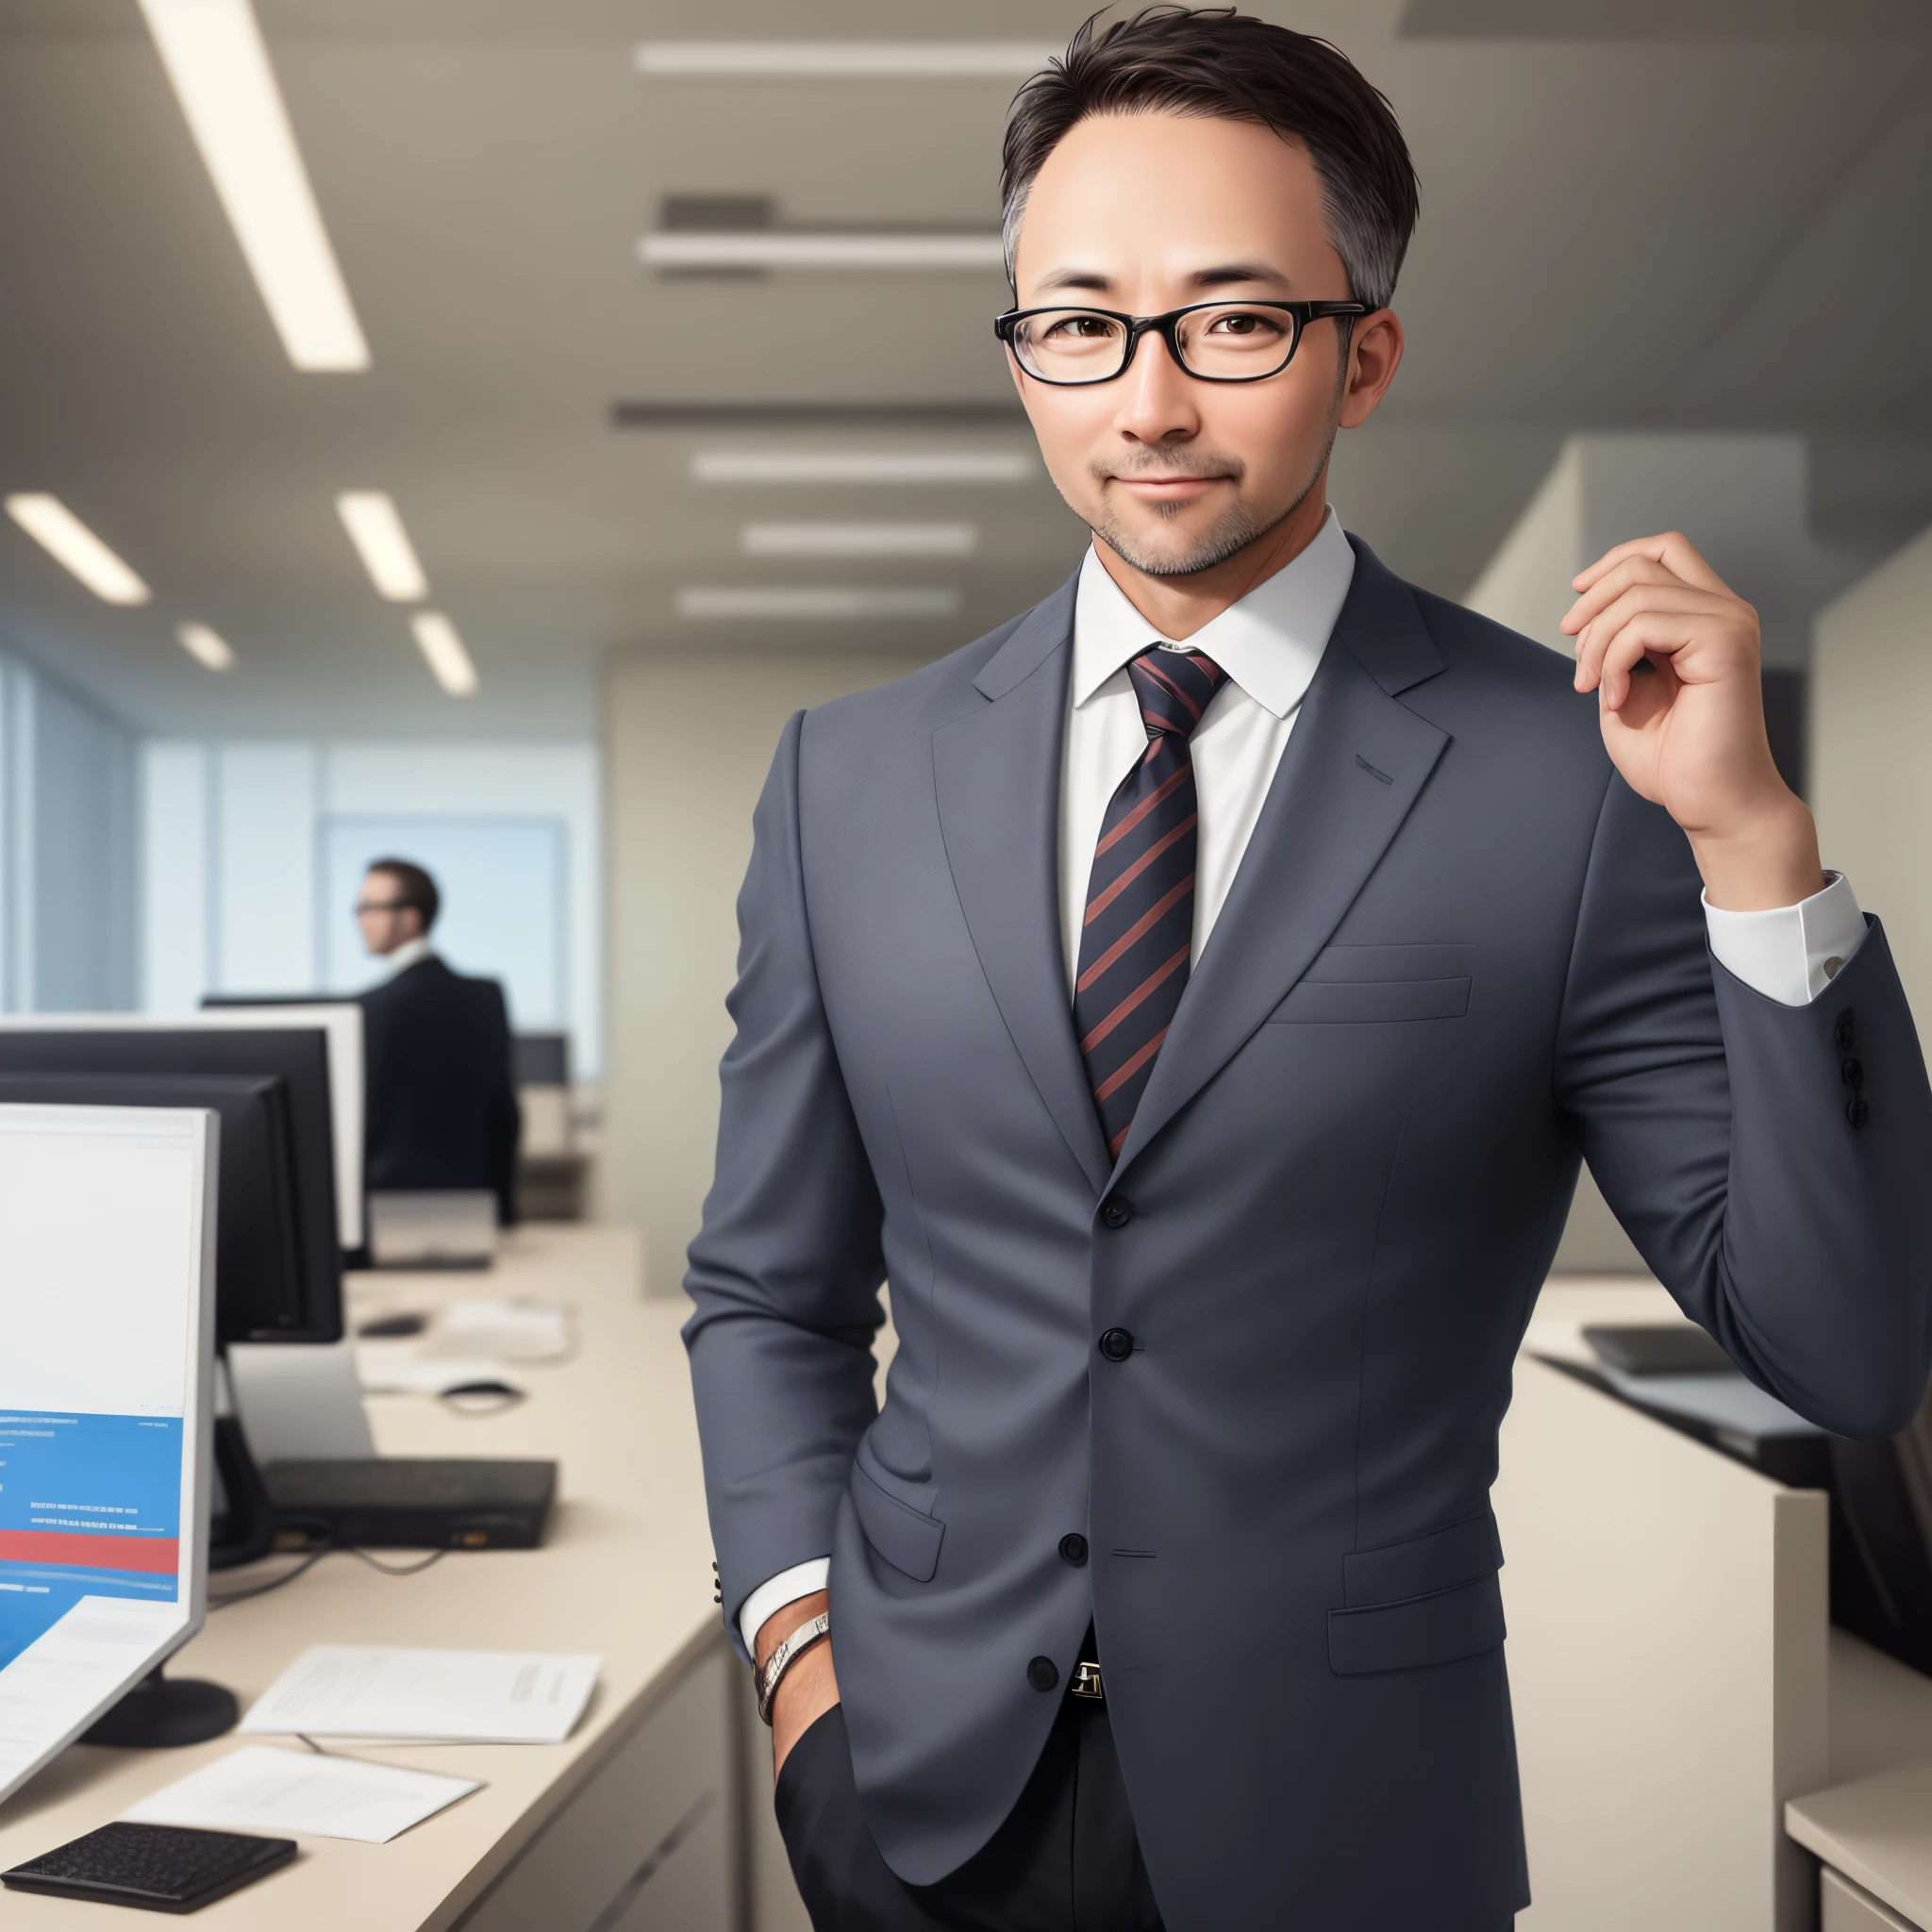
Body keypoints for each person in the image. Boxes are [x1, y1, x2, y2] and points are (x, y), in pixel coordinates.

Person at [683, 10, 1932, 1929]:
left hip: (1343, 1824)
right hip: (913, 1797)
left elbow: (1839, 1346)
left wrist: (1757, 849)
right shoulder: (847, 777)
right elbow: (767, 1292)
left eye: (1235, 321)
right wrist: (797, 1665)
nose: (1149, 403)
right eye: (1080, 323)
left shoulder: (1565, 778)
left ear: (1366, 357)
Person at [354, 858, 520, 1228]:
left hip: (384, 1217)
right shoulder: (486, 997)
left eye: (370, 907)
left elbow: (364, 1124)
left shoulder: (370, 1008)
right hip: (474, 1214)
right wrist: (505, 1216)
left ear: (410, 917)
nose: (360, 918)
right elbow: (504, 1118)